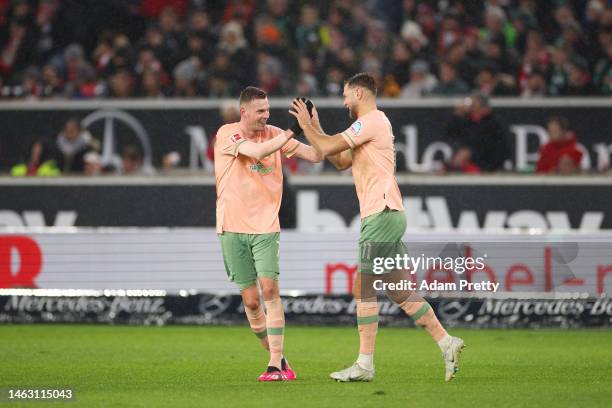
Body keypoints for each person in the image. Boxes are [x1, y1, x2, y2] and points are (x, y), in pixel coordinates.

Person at [289, 72, 464, 383]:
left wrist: (306, 126)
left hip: (381, 213)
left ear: (359, 93)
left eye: (345, 95)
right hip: (387, 213)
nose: (343, 101)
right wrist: (315, 128)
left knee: (363, 288)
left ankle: (365, 364)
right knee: (399, 291)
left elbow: (327, 149)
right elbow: (339, 159)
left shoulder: (372, 120)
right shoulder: (367, 125)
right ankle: (447, 342)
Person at [214, 86, 322, 382]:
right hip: (231, 226)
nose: (265, 115)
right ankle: (280, 359)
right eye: (260, 110)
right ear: (244, 112)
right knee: (251, 301)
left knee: (270, 291)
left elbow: (316, 155)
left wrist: (312, 127)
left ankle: (275, 364)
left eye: (268, 110)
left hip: (265, 226)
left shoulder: (274, 132)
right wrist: (292, 130)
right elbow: (258, 152)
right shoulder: (228, 134)